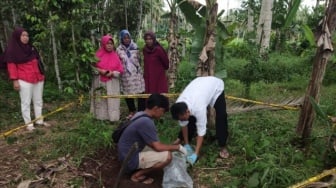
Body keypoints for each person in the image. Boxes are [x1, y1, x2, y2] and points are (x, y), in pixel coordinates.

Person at [117, 93, 187, 185]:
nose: (162, 114)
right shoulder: (146, 122)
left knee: (161, 150)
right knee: (168, 157)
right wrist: (178, 147)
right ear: (156, 108)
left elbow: (152, 143)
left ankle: (137, 166)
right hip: (130, 159)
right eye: (162, 111)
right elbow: (157, 147)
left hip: (125, 153)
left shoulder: (140, 114)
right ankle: (136, 175)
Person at [170, 76, 229, 165]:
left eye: (183, 118)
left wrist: (196, 154)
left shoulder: (199, 108)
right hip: (199, 85)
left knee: (221, 116)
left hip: (216, 87)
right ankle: (183, 140)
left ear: (187, 111)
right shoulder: (179, 105)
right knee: (190, 120)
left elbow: (201, 131)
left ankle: (223, 145)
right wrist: (187, 145)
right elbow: (183, 124)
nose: (182, 120)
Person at [4, 27, 49, 131]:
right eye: (23, 35)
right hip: (24, 79)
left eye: (27, 35)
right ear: (17, 37)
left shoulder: (31, 48)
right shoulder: (12, 51)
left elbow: (37, 62)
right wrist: (15, 81)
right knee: (26, 102)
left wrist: (41, 75)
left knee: (38, 100)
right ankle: (29, 124)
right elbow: (12, 67)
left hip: (37, 78)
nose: (26, 38)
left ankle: (39, 120)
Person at [90, 34, 124, 121]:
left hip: (112, 83)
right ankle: (100, 117)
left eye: (111, 44)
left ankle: (112, 117)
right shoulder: (97, 55)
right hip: (99, 81)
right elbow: (92, 67)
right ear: (103, 44)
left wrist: (112, 73)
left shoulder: (115, 56)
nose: (109, 45)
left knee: (112, 100)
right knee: (101, 99)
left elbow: (120, 70)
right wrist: (100, 71)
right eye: (107, 43)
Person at [116, 30, 145, 119]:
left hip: (136, 74)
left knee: (140, 92)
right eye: (124, 38)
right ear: (121, 38)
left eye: (128, 37)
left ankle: (141, 111)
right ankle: (132, 111)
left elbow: (140, 60)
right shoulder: (118, 49)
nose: (127, 39)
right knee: (128, 94)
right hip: (125, 75)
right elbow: (117, 62)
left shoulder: (135, 47)